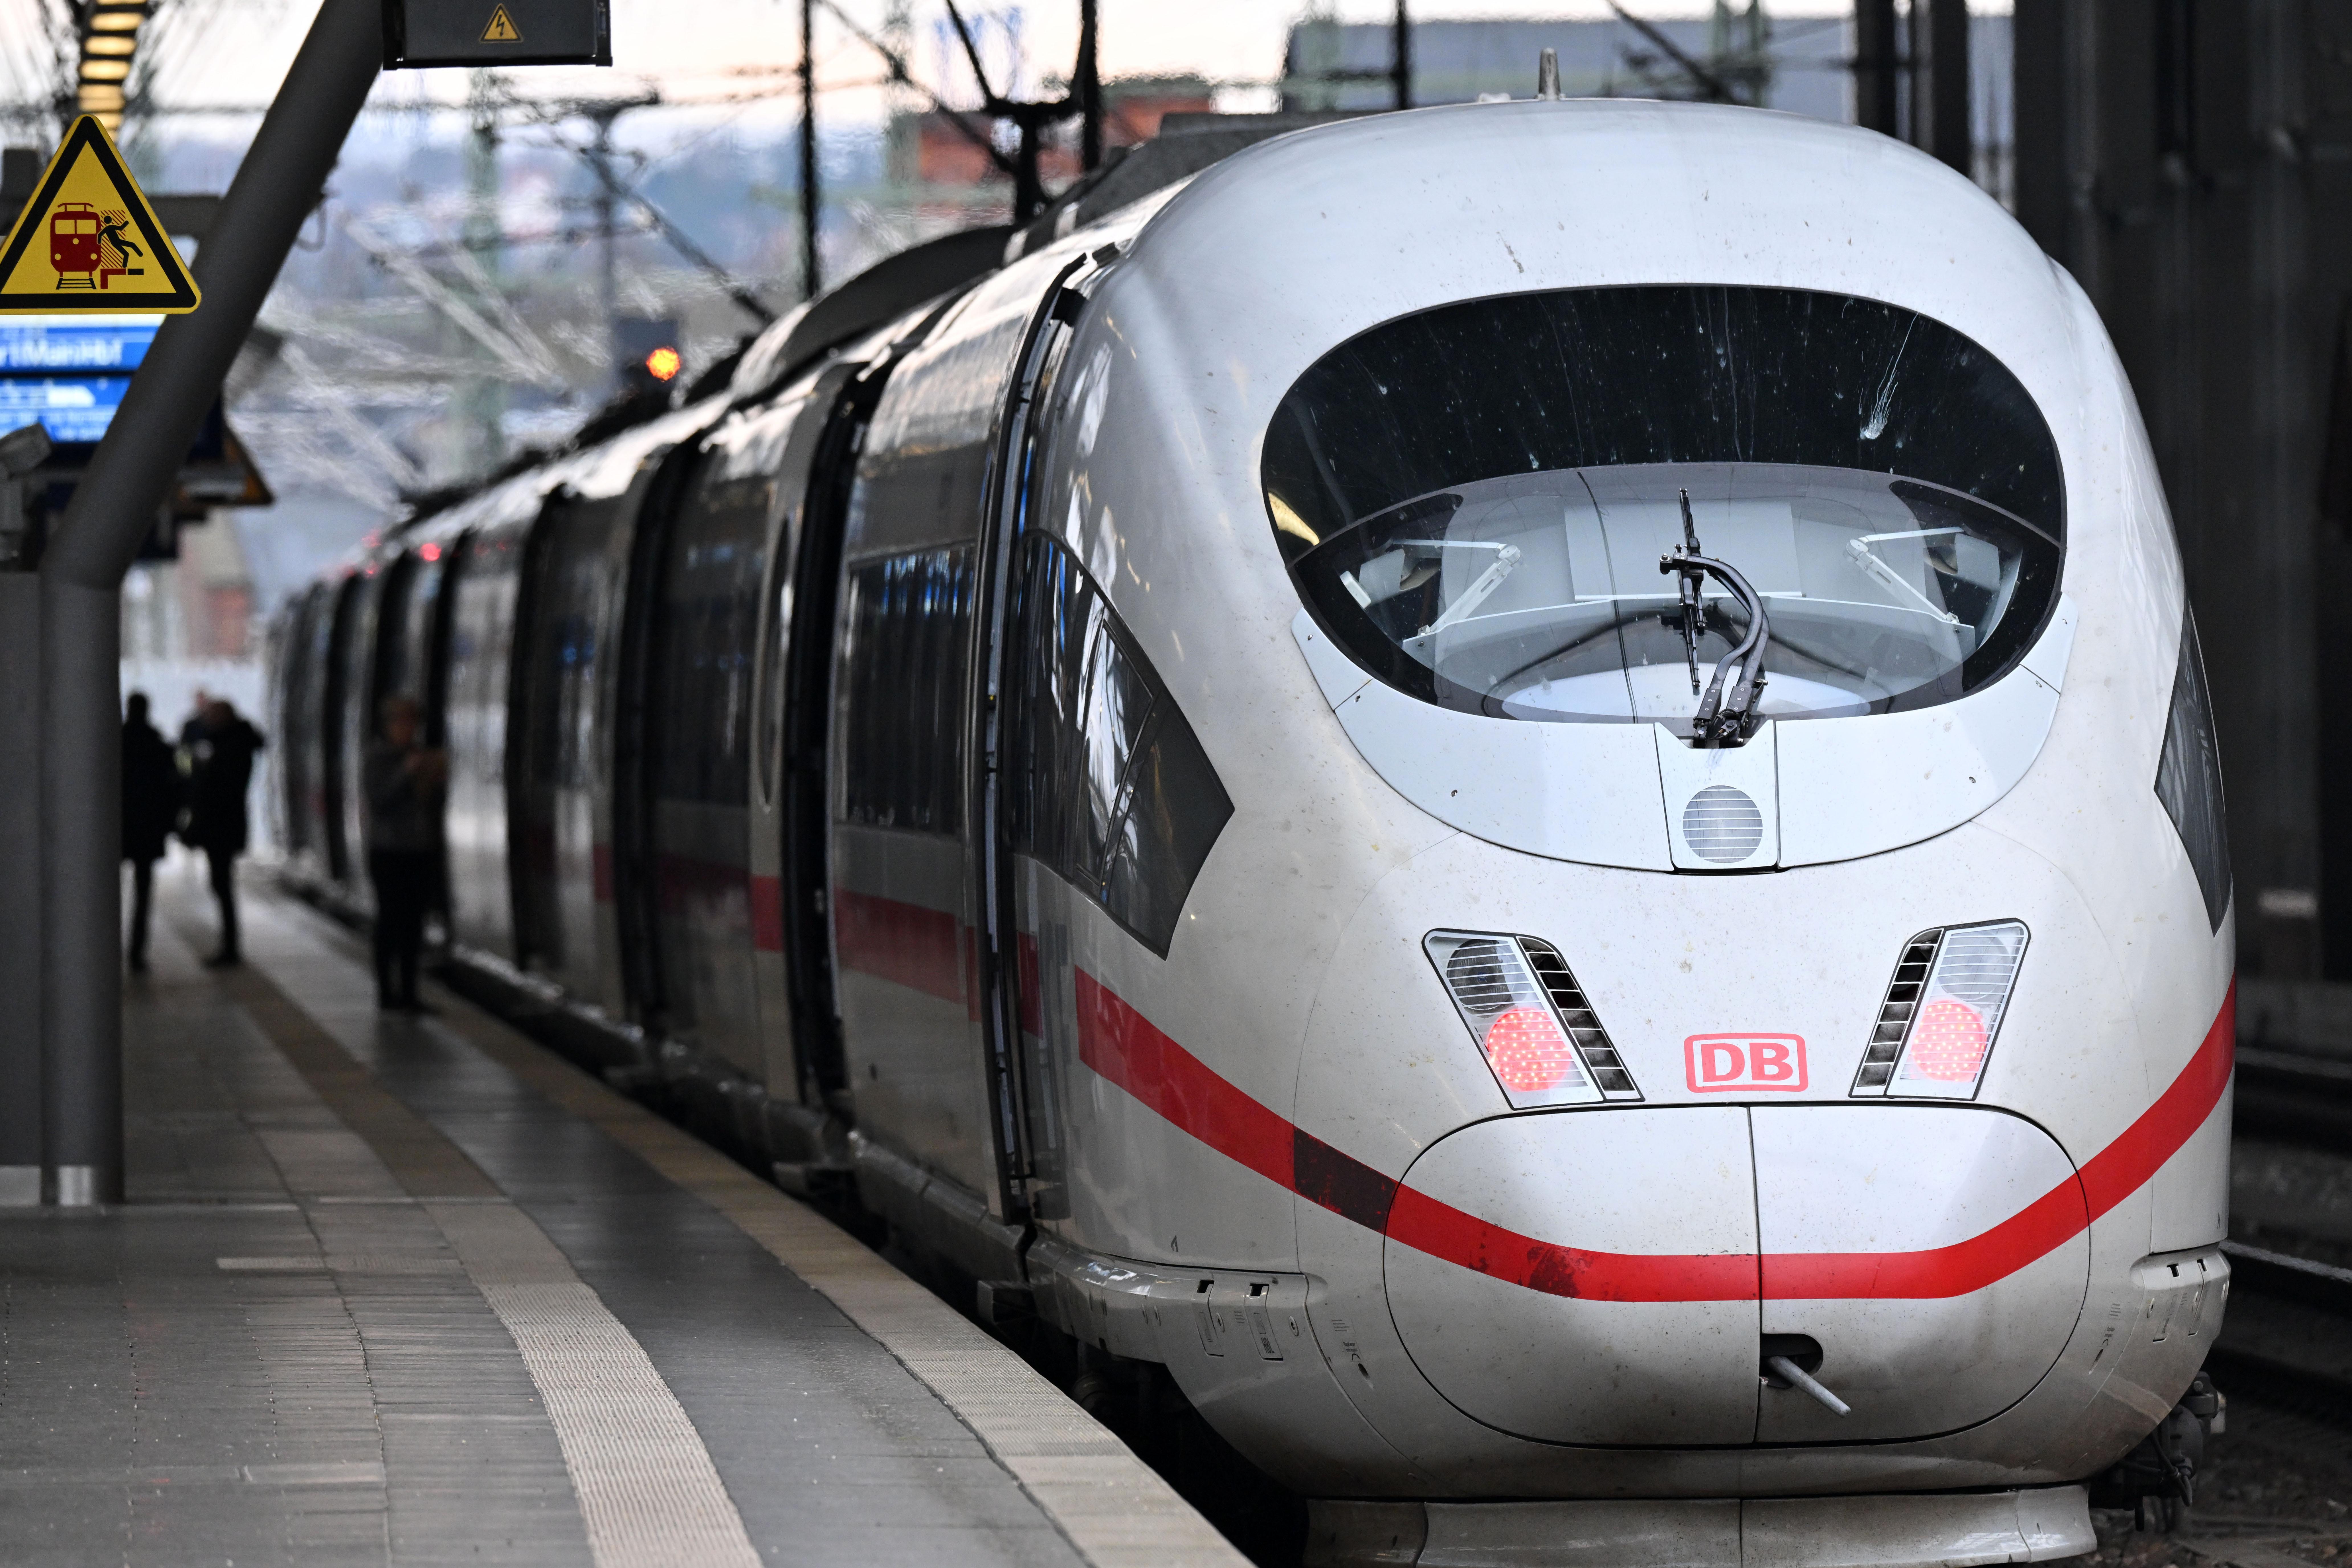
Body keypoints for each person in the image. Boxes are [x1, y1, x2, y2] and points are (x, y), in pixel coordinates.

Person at [362, 695, 446, 1011]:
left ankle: (410, 992)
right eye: (402, 721)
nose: (408, 728)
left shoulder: (419, 755)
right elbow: (379, 800)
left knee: (414, 923)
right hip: (388, 852)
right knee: (389, 921)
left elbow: (431, 804)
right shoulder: (378, 757)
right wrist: (407, 773)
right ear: (389, 724)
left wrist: (433, 779)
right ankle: (386, 992)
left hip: (418, 850)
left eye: (413, 722)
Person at [181, 697, 265, 968]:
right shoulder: (235, 743)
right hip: (225, 825)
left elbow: (209, 787)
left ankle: (230, 947)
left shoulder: (228, 747)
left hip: (221, 826)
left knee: (222, 885)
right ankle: (229, 945)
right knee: (221, 884)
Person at [119, 692, 181, 973]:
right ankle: (137, 951)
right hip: (148, 830)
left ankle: (107, 945)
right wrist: (171, 825)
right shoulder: (159, 744)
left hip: (118, 829)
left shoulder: (113, 743)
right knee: (144, 893)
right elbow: (174, 788)